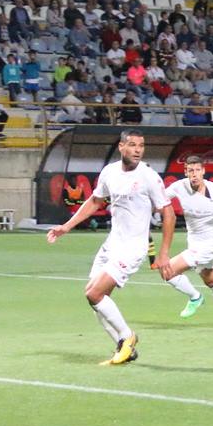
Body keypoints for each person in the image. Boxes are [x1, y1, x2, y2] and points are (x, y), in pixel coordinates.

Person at [45, 130, 174, 366]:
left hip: (133, 248)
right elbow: (95, 201)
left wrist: (163, 253)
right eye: (133, 145)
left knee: (94, 294)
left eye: (141, 146)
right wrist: (67, 226)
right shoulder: (110, 172)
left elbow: (168, 212)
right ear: (122, 147)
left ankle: (128, 337)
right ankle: (123, 348)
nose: (138, 150)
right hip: (111, 245)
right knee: (95, 301)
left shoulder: (148, 176)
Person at [159, 155, 213, 330]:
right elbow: (160, 199)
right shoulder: (179, 186)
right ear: (186, 172)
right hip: (194, 244)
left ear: (203, 171)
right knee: (211, 280)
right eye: (190, 171)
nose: (194, 174)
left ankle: (195, 297)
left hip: (209, 246)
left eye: (197, 170)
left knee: (166, 271)